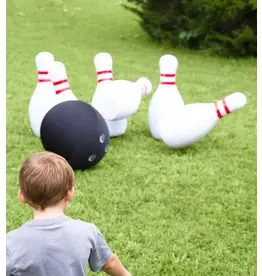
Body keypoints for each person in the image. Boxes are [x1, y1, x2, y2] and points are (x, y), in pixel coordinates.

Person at [6, 151, 131, 276]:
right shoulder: (87, 231)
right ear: (70, 193)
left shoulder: (10, 243)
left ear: (21, 196)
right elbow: (110, 263)